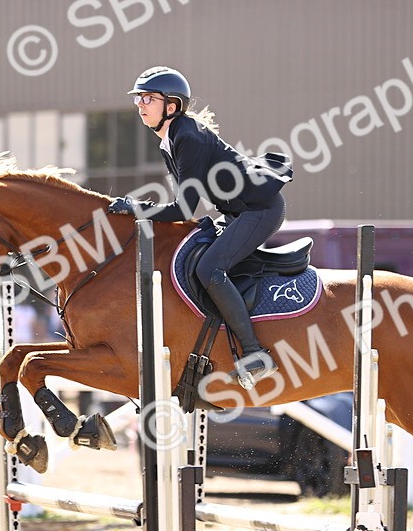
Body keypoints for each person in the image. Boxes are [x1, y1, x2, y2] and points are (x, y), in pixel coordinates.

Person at [108, 66, 293, 385]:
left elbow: (183, 207)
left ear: (172, 106)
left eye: (148, 98)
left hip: (258, 209)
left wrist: (136, 208)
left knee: (209, 269)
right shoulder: (170, 139)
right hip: (237, 212)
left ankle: (254, 354)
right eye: (139, 98)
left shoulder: (187, 137)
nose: (140, 104)